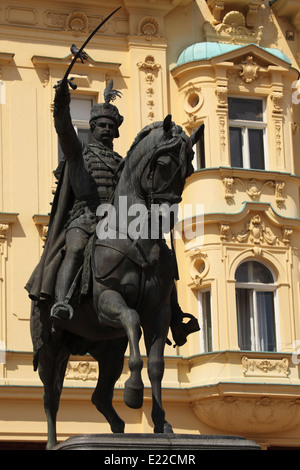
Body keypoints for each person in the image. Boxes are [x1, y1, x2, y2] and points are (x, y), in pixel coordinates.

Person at [26, 79, 199, 347]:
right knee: (74, 248)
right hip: (84, 217)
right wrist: (61, 100)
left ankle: (174, 317)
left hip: (118, 221)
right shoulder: (78, 152)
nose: (107, 130)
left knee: (158, 254)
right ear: (91, 128)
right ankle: (61, 303)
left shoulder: (121, 162)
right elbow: (62, 127)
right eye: (102, 125)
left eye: (111, 127)